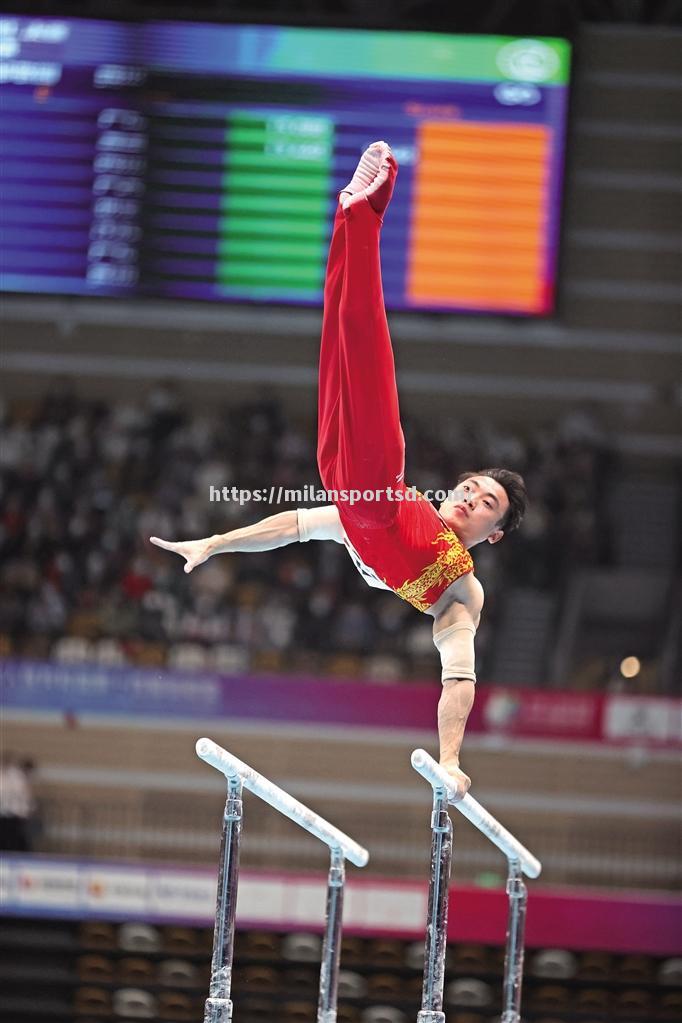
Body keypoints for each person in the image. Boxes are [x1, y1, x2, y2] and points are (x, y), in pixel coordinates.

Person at [151, 142, 527, 799]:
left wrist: (451, 758)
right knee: (361, 332)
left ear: (495, 532)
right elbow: (289, 525)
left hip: (341, 475)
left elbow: (458, 675)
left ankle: (360, 213)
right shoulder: (407, 500)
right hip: (373, 481)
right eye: (472, 484)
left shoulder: (458, 590)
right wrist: (218, 541)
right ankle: (362, 213)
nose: (471, 495)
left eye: (487, 501)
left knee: (339, 329)